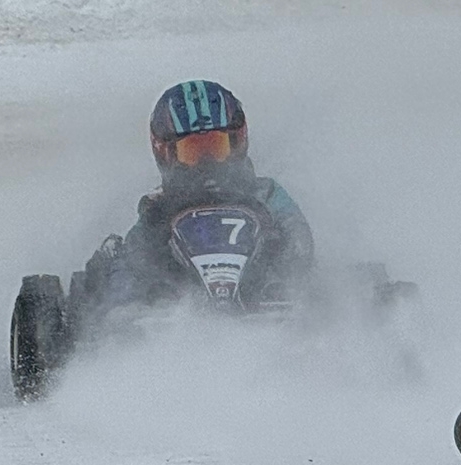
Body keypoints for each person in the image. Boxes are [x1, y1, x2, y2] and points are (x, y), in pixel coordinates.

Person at [75, 81, 315, 309]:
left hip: (263, 294)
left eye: (216, 148)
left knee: (322, 284)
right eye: (192, 152)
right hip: (179, 300)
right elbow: (130, 267)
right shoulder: (158, 209)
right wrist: (123, 310)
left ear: (238, 143)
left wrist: (283, 257)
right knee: (110, 264)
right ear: (165, 153)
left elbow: (299, 237)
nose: (206, 162)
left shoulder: (266, 193)